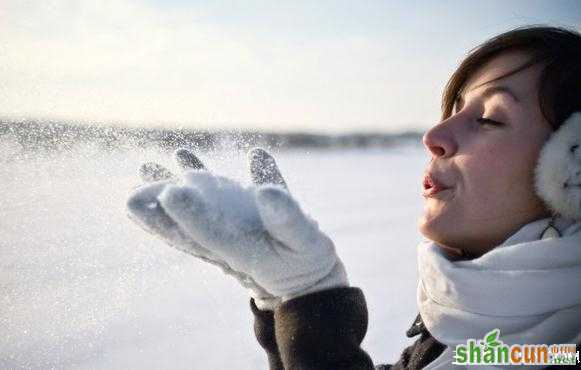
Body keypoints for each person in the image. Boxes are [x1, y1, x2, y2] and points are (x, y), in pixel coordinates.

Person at [126, 25, 581, 369]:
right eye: (455, 110)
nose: (435, 135)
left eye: (490, 119)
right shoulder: (467, 332)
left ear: (572, 169)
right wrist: (285, 302)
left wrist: (311, 299)